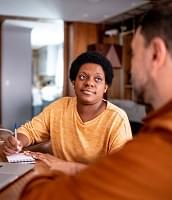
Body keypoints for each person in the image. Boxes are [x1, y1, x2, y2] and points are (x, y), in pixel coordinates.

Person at [20, 1, 172, 199]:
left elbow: (39, 197)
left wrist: (43, 168)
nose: (130, 67)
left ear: (156, 54)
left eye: (133, 53)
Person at [2, 51, 132, 174]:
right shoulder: (59, 107)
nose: (89, 83)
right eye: (83, 77)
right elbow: (30, 131)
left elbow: (120, 171)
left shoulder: (117, 119)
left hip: (97, 187)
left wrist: (65, 166)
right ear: (74, 82)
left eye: (97, 79)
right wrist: (17, 142)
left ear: (105, 87)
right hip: (60, 180)